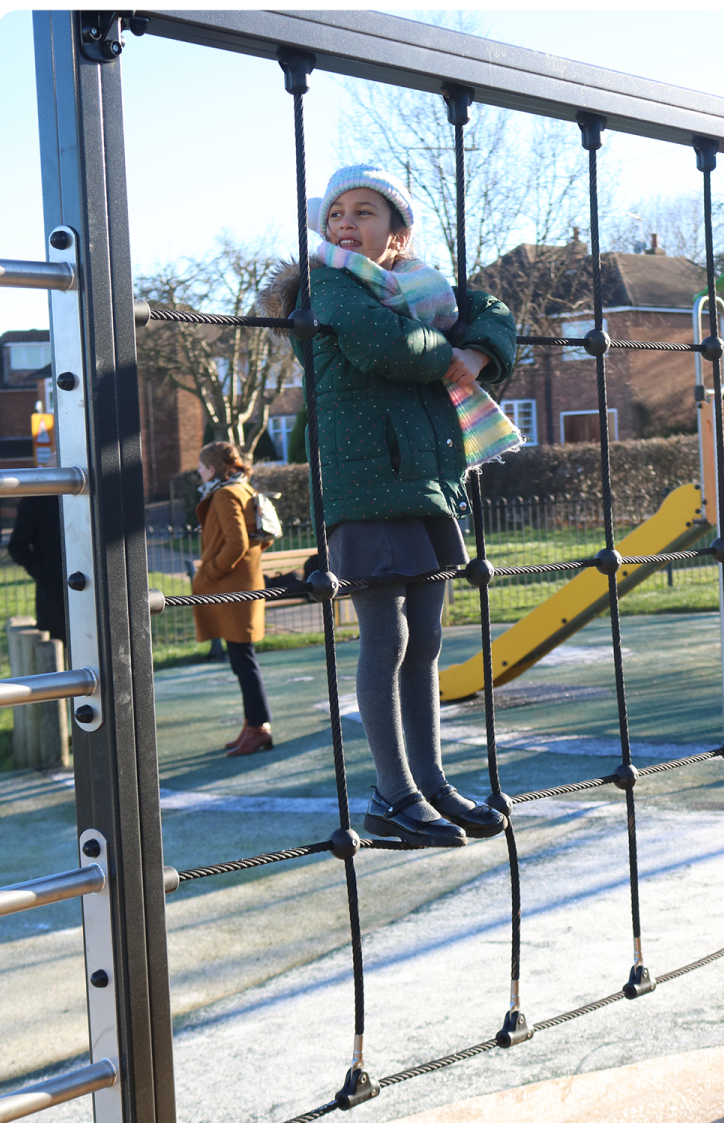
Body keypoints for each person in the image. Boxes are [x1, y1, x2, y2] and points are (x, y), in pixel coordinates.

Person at [262, 164, 517, 847]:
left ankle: (430, 783)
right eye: (336, 212)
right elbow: (390, 347)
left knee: (428, 639)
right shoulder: (324, 284)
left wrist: (479, 350)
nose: (346, 222)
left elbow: (494, 310)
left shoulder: (419, 288)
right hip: (365, 485)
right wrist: (450, 353)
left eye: (365, 211)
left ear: (397, 232)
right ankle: (390, 793)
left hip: (428, 481)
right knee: (388, 637)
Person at [192, 442, 274, 756]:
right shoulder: (243, 489)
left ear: (212, 468)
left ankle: (258, 727)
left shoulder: (225, 494)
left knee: (244, 661)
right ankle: (253, 723)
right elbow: (261, 537)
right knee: (243, 660)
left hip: (232, 590)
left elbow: (237, 542)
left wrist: (211, 571)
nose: (198, 471)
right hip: (242, 586)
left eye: (201, 466)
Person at [8, 494, 67, 644]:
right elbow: (17, 547)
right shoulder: (36, 499)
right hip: (55, 600)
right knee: (56, 656)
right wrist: (47, 575)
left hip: (97, 596)